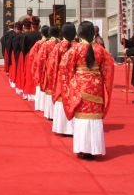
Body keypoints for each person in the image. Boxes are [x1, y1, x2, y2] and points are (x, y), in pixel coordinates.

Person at [59, 21, 114, 160]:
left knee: (82, 119)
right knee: (94, 117)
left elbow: (65, 67)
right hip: (96, 87)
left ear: (79, 33)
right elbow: (108, 68)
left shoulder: (75, 49)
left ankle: (83, 148)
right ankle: (94, 148)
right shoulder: (101, 49)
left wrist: (71, 83)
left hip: (80, 86)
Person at [51, 24, 76, 134]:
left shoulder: (58, 47)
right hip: (74, 79)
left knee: (62, 100)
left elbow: (52, 64)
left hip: (62, 78)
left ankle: (62, 127)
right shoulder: (78, 46)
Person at [31, 26, 50, 111]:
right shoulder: (52, 43)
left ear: (41, 33)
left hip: (40, 66)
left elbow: (32, 55)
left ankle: (40, 105)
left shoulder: (39, 43)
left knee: (40, 85)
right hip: (49, 67)